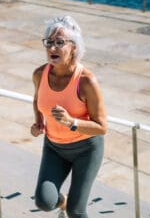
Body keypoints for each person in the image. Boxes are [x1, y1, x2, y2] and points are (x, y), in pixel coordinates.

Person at [31, 16, 107, 218]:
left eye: (59, 42)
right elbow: (37, 99)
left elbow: (101, 127)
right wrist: (38, 121)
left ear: (74, 47)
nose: (52, 48)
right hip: (54, 147)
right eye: (49, 42)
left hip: (87, 150)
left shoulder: (86, 81)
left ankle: (70, 206)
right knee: (44, 202)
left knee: (76, 211)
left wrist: (70, 122)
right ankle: (62, 202)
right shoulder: (40, 74)